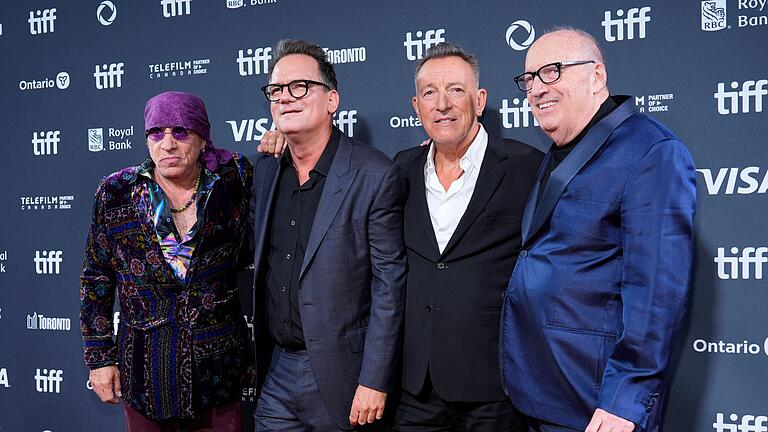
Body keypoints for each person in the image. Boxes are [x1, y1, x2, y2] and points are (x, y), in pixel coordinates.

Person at [500, 28, 696, 432]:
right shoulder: (563, 146)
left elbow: (657, 292)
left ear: (597, 75)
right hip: (539, 390)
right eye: (529, 79)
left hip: (596, 404)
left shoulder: (651, 151)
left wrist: (627, 400)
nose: (537, 88)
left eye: (552, 72)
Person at [249, 39, 407, 431]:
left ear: (332, 100)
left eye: (300, 86)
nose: (286, 97)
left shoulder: (373, 173)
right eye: (276, 90)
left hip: (342, 373)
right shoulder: (265, 170)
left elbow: (389, 284)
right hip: (276, 369)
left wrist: (374, 379)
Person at [80, 91, 253, 431]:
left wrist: (279, 139)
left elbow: (294, 160)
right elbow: (96, 278)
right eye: (156, 133)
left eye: (181, 132)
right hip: (145, 372)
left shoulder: (233, 178)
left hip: (217, 369)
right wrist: (100, 358)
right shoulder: (115, 192)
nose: (168, 144)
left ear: (203, 139)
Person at [392, 42, 542, 431]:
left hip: (493, 387)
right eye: (430, 93)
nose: (442, 104)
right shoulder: (401, 169)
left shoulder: (526, 167)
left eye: (455, 90)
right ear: (416, 106)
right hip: (416, 388)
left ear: (480, 99)